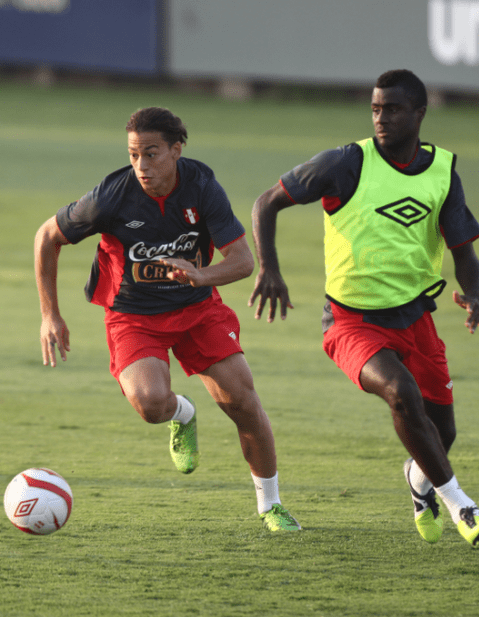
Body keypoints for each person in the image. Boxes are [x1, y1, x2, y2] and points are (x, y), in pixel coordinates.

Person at [249, 70, 479, 546]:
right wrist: (270, 269)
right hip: (351, 320)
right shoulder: (346, 163)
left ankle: (419, 482)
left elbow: (464, 252)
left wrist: (476, 295)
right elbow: (266, 203)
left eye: (394, 109)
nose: (381, 118)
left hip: (416, 319)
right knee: (401, 393)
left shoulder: (442, 171)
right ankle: (462, 505)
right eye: (376, 108)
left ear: (420, 114)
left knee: (441, 433)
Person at [35, 107, 299, 531]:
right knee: (151, 404)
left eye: (152, 154)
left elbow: (243, 261)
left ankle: (271, 506)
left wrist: (200, 275)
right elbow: (46, 236)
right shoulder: (111, 197)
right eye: (134, 154)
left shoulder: (202, 188)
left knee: (243, 403)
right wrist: (50, 314)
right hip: (133, 316)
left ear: (176, 150)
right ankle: (182, 414)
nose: (141, 165)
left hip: (197, 310)